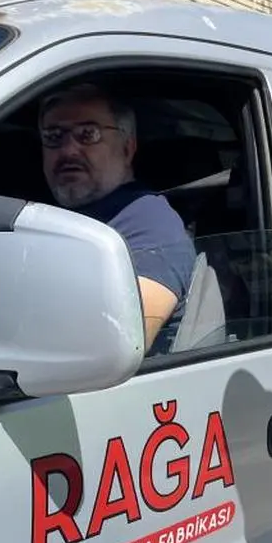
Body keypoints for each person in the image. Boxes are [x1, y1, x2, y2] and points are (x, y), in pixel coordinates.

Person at [37, 83, 197, 356]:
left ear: (127, 148)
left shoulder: (148, 223)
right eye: (54, 136)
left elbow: (111, 346)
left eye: (88, 134)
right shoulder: (49, 219)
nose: (68, 151)